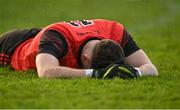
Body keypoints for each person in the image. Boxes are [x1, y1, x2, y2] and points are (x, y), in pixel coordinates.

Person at [0, 19, 158, 79]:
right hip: (14, 45)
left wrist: (133, 72)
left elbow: (152, 69)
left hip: (46, 37)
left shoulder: (116, 31)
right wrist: (96, 74)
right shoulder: (57, 38)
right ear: (85, 59)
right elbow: (45, 72)